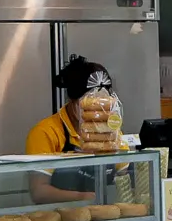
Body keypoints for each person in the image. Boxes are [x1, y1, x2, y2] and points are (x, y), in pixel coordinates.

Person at [24, 58, 111, 205]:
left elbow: (125, 173)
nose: (96, 109)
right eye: (89, 102)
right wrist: (84, 198)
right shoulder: (45, 132)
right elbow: (39, 192)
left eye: (102, 103)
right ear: (73, 100)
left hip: (103, 216)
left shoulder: (109, 132)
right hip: (59, 216)